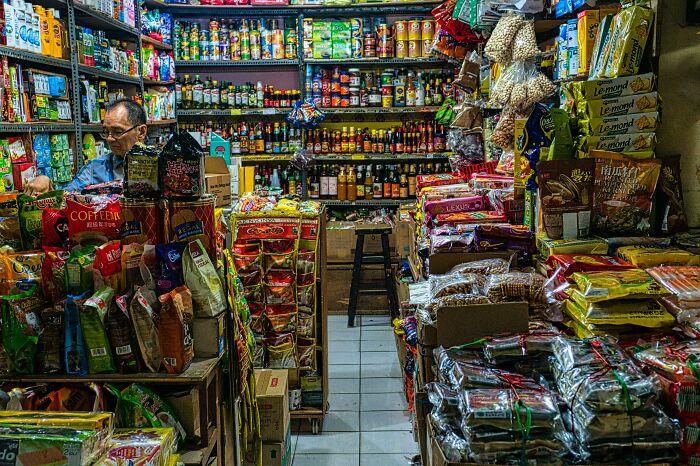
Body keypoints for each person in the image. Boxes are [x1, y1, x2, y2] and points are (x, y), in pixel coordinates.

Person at [24, 98, 148, 195]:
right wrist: (45, 182)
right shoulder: (96, 168)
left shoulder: (157, 166)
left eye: (118, 132)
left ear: (141, 132)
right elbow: (65, 199)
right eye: (106, 132)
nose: (109, 138)